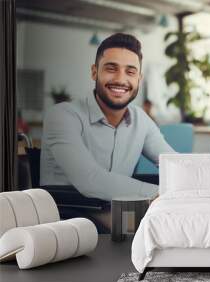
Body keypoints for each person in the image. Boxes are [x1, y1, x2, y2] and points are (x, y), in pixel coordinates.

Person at [40, 33, 175, 229]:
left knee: (179, 225)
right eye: (111, 69)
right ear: (94, 72)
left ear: (139, 78)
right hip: (67, 216)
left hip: (117, 211)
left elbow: (174, 163)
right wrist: (162, 194)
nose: (121, 79)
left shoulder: (141, 120)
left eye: (130, 72)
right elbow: (90, 180)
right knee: (158, 229)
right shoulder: (61, 115)